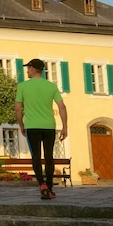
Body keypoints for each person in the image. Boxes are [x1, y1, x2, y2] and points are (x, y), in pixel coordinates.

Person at [15, 58, 68, 200]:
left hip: (32, 127)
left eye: (28, 68)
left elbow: (18, 109)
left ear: (32, 69)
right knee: (49, 157)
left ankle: (42, 184)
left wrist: (21, 125)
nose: (27, 71)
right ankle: (50, 187)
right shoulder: (51, 86)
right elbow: (62, 107)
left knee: (36, 157)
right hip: (49, 126)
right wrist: (64, 127)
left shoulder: (23, 86)